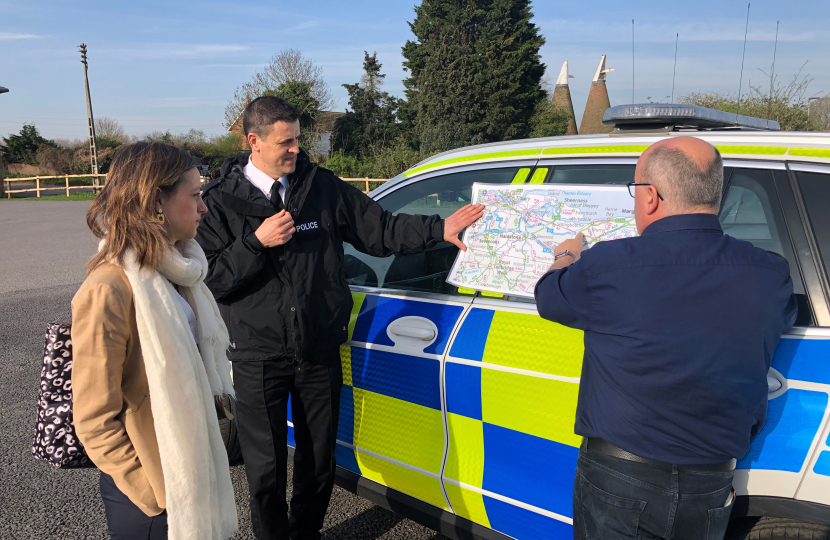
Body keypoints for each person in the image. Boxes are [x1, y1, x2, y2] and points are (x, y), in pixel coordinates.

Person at [195, 96, 483, 540]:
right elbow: (209, 279)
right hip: (257, 355)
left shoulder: (320, 187)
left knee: (318, 462)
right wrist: (255, 243)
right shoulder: (218, 204)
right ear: (253, 141)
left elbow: (381, 229)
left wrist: (437, 230)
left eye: (297, 140)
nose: (296, 150)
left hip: (318, 351)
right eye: (284, 142)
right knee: (266, 470)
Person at [534, 137, 797, 540]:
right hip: (711, 483)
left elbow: (548, 297)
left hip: (619, 479)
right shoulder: (771, 273)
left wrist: (567, 256)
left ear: (651, 197)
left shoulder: (606, 265)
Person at [72, 142, 238, 540]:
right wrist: (152, 493)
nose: (205, 208)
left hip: (194, 470)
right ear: (155, 202)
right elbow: (94, 419)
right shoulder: (109, 288)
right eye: (195, 195)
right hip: (154, 495)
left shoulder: (180, 272)